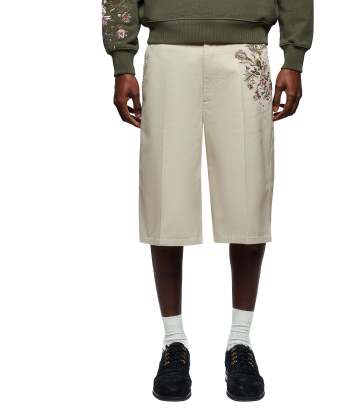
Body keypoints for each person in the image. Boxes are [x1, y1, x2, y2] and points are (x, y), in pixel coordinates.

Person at [102, 0, 313, 402]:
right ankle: (173, 342)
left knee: (248, 193)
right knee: (165, 196)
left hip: (245, 48)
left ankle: (240, 341)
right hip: (167, 49)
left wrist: (294, 56)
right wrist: (122, 62)